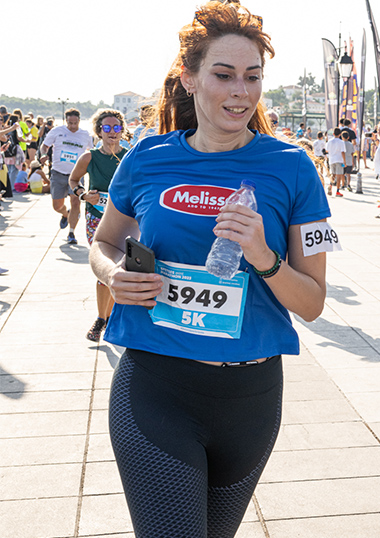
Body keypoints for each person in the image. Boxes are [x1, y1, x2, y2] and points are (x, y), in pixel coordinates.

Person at [88, 4, 331, 535]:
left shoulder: (293, 167)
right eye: (224, 75)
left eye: (252, 77)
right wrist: (112, 275)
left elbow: (313, 304)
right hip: (157, 384)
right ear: (189, 78)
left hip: (251, 399)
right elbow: (104, 242)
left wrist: (264, 258)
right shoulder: (146, 157)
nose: (240, 92)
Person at [69, 109, 129, 342]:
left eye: (116, 127)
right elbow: (73, 179)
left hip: (125, 221)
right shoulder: (89, 158)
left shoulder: (130, 157)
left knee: (121, 268)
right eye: (107, 128)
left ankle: (111, 316)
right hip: (97, 219)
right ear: (99, 131)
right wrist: (83, 195)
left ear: (122, 130)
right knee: (105, 268)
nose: (112, 132)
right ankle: (101, 318)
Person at [41, 108, 93, 245]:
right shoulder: (57, 131)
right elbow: (44, 146)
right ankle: (65, 214)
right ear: (66, 121)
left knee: (76, 202)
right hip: (58, 172)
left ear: (79, 121)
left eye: (75, 123)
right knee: (57, 206)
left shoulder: (85, 135)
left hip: (77, 174)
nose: (73, 126)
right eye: (70, 123)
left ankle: (71, 233)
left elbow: (92, 152)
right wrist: (43, 154)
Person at [325, 127, 345, 196]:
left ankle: (330, 185)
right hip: (339, 160)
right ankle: (337, 191)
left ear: (333, 134)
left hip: (331, 159)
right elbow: (343, 152)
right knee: (339, 176)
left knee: (333, 174)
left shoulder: (329, 142)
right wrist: (344, 161)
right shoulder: (341, 142)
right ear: (340, 134)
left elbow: (327, 151)